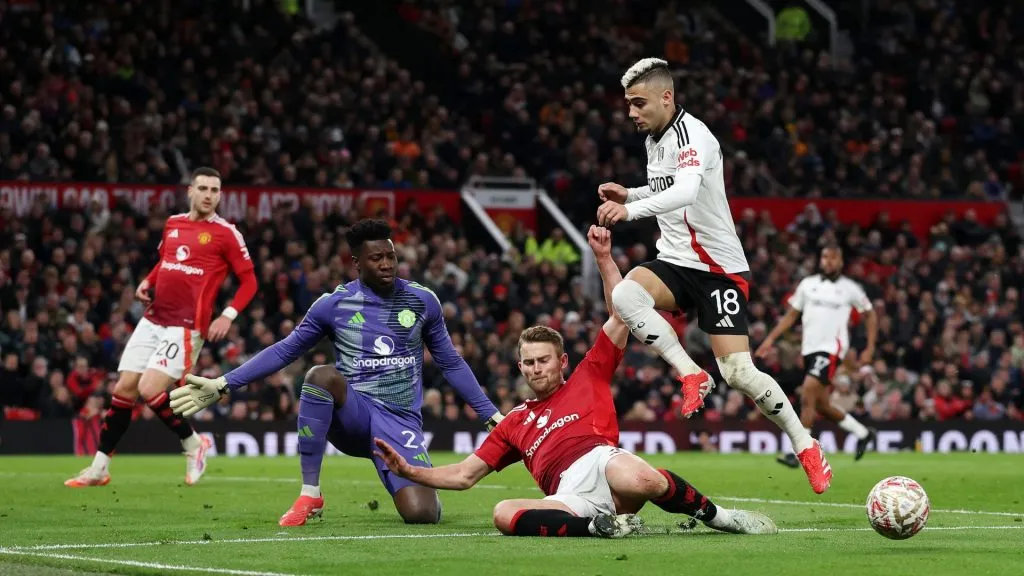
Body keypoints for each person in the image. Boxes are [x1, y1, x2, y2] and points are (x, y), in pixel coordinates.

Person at [373, 226, 778, 538]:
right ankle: (602, 528)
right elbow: (464, 475)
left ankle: (724, 518)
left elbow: (622, 313)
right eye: (528, 362)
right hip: (568, 495)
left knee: (645, 478)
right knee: (502, 513)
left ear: (562, 361)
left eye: (543, 360)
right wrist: (410, 471)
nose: (536, 369)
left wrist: (603, 257)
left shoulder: (589, 373)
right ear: (520, 368)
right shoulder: (513, 421)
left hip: (605, 464)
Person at [593, 57, 832, 494]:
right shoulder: (654, 139)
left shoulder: (694, 136)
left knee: (739, 373)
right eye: (628, 104)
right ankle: (691, 374)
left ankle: (806, 445)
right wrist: (632, 191)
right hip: (675, 261)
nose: (631, 112)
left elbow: (686, 190)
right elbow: (667, 189)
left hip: (718, 269)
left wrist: (628, 210)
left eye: (638, 103)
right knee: (626, 296)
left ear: (667, 97)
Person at [170, 219, 502, 526]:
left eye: (391, 256)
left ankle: (426, 494)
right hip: (352, 416)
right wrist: (224, 383)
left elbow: (450, 361)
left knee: (422, 516)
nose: (386, 264)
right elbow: (286, 349)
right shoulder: (333, 305)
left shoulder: (422, 300)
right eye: (376, 258)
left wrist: (490, 415)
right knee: (320, 376)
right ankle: (310, 494)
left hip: (399, 422)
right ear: (357, 262)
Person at [65, 167, 258, 487]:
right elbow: (165, 261)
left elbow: (250, 281)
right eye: (203, 188)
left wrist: (228, 315)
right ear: (190, 191)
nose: (209, 195)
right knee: (123, 390)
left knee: (149, 389)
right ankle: (99, 469)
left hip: (186, 326)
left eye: (215, 190)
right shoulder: (173, 224)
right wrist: (148, 280)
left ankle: (195, 444)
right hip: (154, 318)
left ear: (220, 196)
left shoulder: (226, 233)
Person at [755, 244, 878, 467]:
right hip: (810, 350)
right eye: (825, 257)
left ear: (841, 261)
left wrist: (869, 348)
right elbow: (791, 316)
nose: (828, 261)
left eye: (833, 257)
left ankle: (800, 452)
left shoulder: (850, 288)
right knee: (821, 405)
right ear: (820, 260)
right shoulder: (807, 285)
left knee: (808, 391)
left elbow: (870, 315)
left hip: (831, 349)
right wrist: (770, 339)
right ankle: (863, 433)